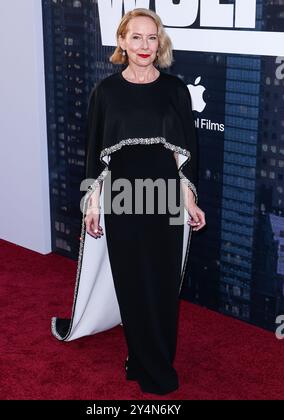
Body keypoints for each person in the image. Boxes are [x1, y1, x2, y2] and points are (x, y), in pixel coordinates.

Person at [51, 8, 206, 395]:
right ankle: (139, 358)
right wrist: (92, 204)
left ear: (160, 43)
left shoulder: (174, 89)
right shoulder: (106, 92)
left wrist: (189, 199)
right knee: (133, 284)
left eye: (152, 38)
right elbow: (95, 155)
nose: (144, 46)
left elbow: (185, 152)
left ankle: (157, 363)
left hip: (164, 195)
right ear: (121, 41)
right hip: (122, 196)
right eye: (135, 37)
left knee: (163, 283)